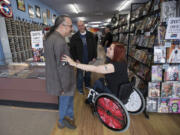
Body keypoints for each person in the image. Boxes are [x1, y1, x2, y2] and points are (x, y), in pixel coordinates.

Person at [62, 42, 129, 100]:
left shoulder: (113, 66)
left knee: (98, 83)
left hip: (115, 94)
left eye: (110, 49)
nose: (107, 48)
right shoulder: (123, 62)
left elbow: (95, 69)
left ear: (116, 53)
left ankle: (91, 99)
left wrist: (73, 63)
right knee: (100, 80)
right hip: (122, 92)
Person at [44, 15, 76, 129]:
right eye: (70, 26)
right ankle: (63, 120)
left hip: (55, 78)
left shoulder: (49, 38)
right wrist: (63, 86)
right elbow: (63, 66)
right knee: (66, 100)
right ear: (62, 26)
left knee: (65, 100)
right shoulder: (60, 41)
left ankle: (68, 117)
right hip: (63, 80)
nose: (71, 29)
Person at [70, 20, 97, 94]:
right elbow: (72, 50)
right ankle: (79, 88)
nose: (81, 27)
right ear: (77, 27)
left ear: (84, 25)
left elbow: (94, 46)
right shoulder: (74, 37)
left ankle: (87, 85)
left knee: (88, 73)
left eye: (82, 25)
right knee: (80, 75)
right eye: (79, 26)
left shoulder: (91, 35)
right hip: (80, 59)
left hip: (89, 58)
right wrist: (76, 59)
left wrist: (95, 56)